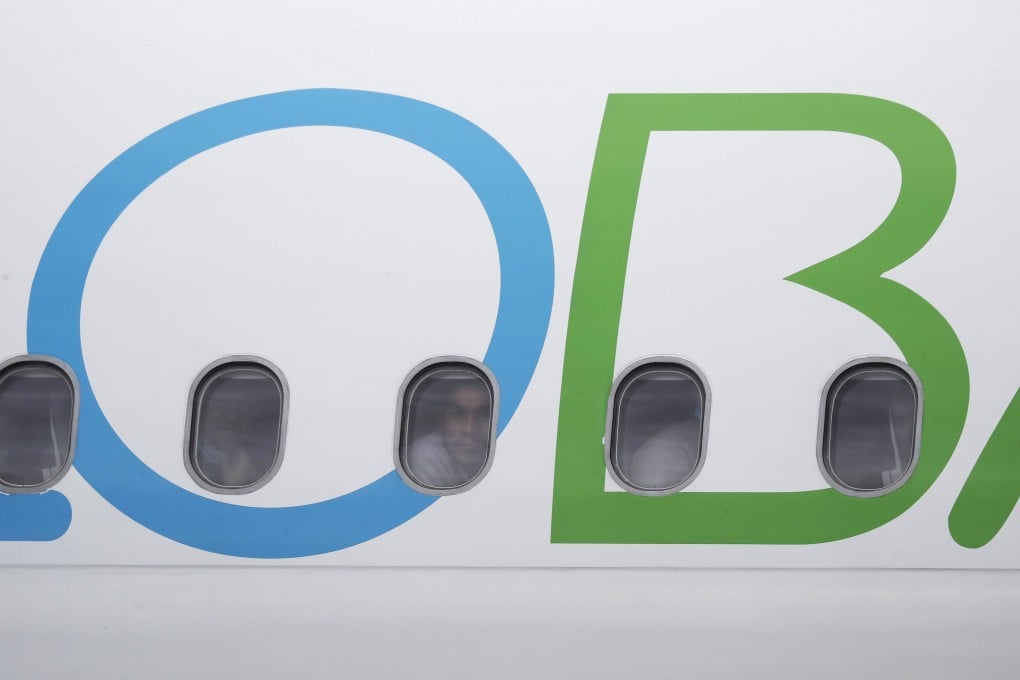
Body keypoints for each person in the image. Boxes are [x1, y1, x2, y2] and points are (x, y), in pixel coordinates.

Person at [405, 375, 492, 489]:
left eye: (485, 415)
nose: (469, 428)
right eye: (458, 414)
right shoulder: (426, 457)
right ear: (442, 419)